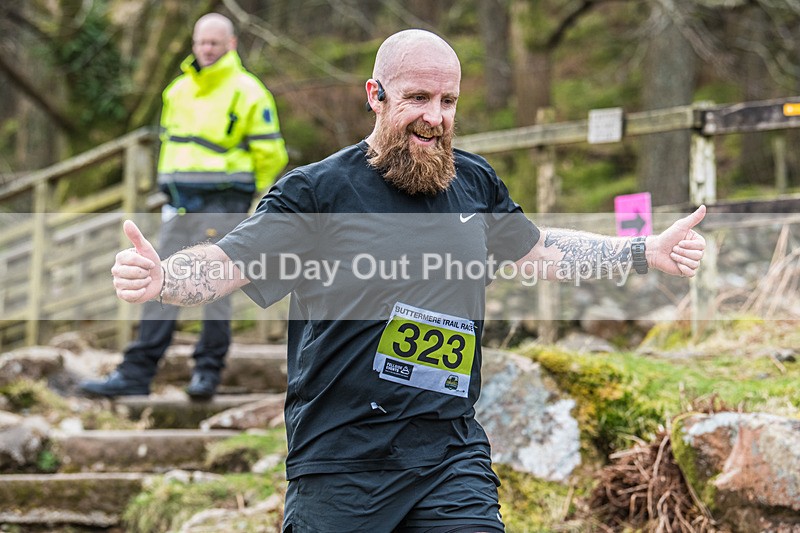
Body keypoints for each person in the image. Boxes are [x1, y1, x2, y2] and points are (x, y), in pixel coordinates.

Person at [108, 29, 706, 533]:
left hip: (449, 451)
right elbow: (228, 263)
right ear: (376, 94)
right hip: (342, 456)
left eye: (448, 101)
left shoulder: (474, 183)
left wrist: (643, 251)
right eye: (417, 97)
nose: (435, 117)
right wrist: (161, 277)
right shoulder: (318, 192)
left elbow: (541, 250)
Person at [81, 13, 288, 400]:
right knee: (156, 278)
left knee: (215, 283)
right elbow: (171, 146)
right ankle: (137, 373)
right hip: (179, 203)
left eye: (214, 42)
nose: (206, 49)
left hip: (225, 201)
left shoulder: (249, 90)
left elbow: (270, 153)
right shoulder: (176, 90)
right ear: (193, 44)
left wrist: (246, 193)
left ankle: (207, 373)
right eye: (200, 42)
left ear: (230, 44)